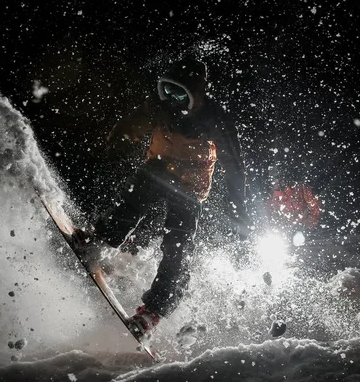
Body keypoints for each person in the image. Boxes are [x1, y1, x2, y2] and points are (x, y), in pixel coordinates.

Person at [73, 57, 251, 339]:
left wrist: (238, 205)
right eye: (168, 90)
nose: (173, 99)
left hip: (189, 187)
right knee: (133, 199)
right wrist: (117, 141)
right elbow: (133, 124)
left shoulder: (215, 117)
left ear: (197, 96)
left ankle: (152, 312)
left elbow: (233, 165)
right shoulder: (160, 105)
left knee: (177, 247)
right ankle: (101, 241)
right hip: (158, 168)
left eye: (181, 94)